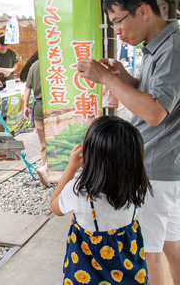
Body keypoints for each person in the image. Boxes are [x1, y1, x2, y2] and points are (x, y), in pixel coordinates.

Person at [77, 0, 180, 285]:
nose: (117, 30)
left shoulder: (173, 48)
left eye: (118, 21)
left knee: (148, 253)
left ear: (144, 11)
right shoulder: (158, 46)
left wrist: (107, 80)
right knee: (171, 244)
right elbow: (155, 97)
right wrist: (124, 77)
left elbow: (154, 112)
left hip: (156, 167)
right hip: (166, 167)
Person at [51, 116, 152, 284]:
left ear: (92, 155)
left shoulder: (78, 192)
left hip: (87, 274)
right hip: (129, 272)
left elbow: (55, 206)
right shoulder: (136, 186)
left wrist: (71, 167)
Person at [24, 60, 49, 187]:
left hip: (39, 109)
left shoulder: (34, 65)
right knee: (58, 143)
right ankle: (53, 172)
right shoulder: (56, 62)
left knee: (44, 145)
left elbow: (27, 89)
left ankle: (45, 174)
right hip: (56, 108)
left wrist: (25, 106)